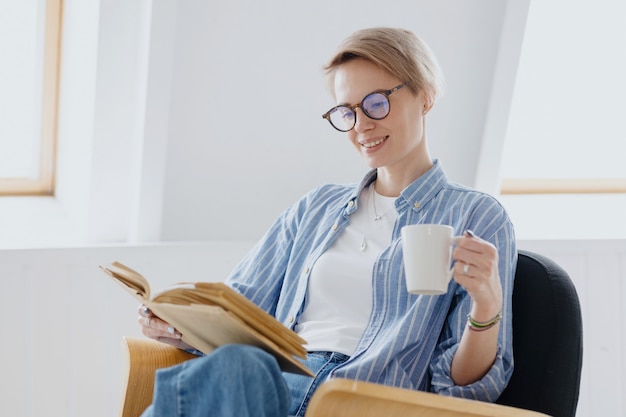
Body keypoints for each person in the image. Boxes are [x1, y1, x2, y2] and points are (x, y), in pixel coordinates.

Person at [137, 27, 516, 417]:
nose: (360, 125)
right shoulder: (316, 208)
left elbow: (464, 388)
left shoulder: (475, 216)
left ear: (426, 97)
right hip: (274, 390)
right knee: (236, 365)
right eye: (346, 112)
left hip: (364, 402)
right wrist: (175, 322)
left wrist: (486, 305)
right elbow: (235, 314)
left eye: (376, 103)